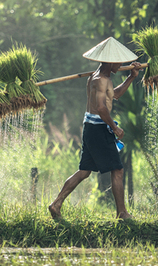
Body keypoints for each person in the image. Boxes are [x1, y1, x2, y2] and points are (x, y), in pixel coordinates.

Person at [48, 37, 142, 220]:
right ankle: (122, 213)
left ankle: (56, 204)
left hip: (90, 127)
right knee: (118, 169)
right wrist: (114, 128)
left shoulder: (98, 77)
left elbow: (114, 95)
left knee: (84, 171)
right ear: (110, 61)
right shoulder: (100, 80)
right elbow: (101, 108)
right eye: (119, 61)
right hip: (98, 128)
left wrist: (132, 77)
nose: (121, 64)